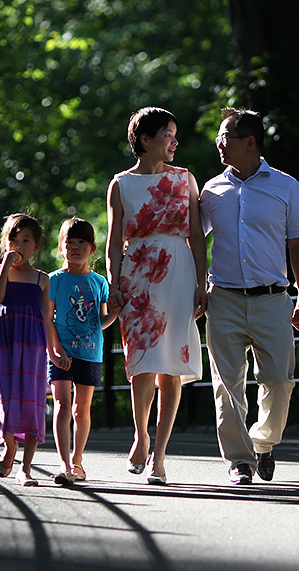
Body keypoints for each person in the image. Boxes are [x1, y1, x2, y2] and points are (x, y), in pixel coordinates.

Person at [199, 107, 299, 485]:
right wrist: (197, 289)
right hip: (224, 299)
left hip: (273, 299)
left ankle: (262, 443)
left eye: (225, 137)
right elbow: (194, 243)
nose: (218, 143)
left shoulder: (286, 186)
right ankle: (239, 461)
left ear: (249, 142)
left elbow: (298, 245)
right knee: (226, 384)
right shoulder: (211, 190)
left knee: (280, 381)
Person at [106, 107, 206, 486]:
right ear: (145, 140)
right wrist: (114, 283)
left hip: (178, 272)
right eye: (168, 134)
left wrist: (201, 282)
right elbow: (114, 240)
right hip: (138, 274)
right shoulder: (120, 184)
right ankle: (141, 434)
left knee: (171, 366)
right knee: (141, 360)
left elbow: (197, 234)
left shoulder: (185, 179)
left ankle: (161, 454)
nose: (175, 141)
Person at [46, 217, 121, 484]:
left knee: (82, 409)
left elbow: (99, 322)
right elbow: (48, 319)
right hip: (60, 353)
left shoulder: (99, 282)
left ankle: (78, 461)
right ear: (60, 247)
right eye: (69, 242)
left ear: (93, 248)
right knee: (62, 406)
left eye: (81, 242)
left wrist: (113, 314)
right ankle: (64, 464)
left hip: (90, 352)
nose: (75, 247)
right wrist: (55, 351)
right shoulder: (53, 280)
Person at [0, 213, 58, 487]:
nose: (18, 246)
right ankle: (9, 445)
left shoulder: (42, 279)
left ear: (37, 246)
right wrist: (5, 265)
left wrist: (52, 350)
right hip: (4, 340)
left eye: (26, 240)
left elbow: (46, 318)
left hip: (32, 344)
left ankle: (26, 468)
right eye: (13, 240)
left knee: (32, 401)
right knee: (4, 396)